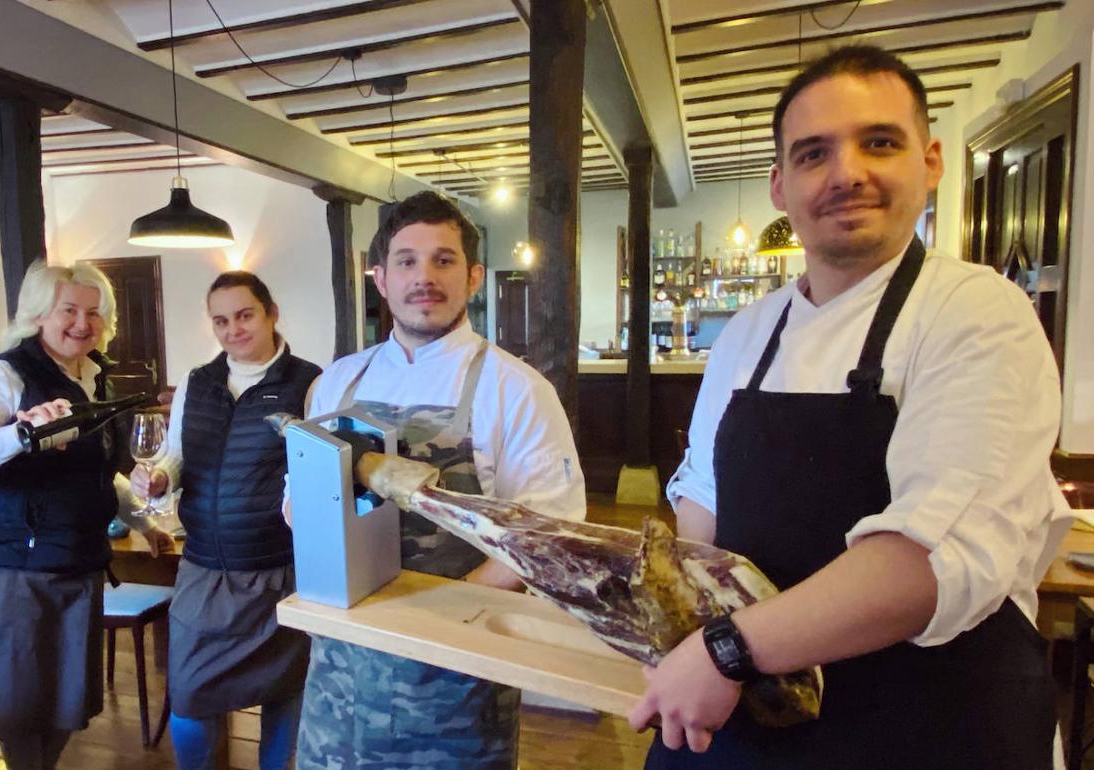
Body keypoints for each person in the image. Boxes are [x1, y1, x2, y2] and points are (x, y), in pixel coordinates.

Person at [628, 45, 1071, 769]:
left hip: (931, 725)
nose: (846, 174)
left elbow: (923, 566)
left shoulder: (976, 312)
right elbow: (703, 507)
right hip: (748, 715)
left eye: (879, 142)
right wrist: (686, 630)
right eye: (813, 154)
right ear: (779, 185)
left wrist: (725, 650)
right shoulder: (748, 333)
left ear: (930, 163)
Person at [293, 191, 587, 769]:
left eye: (443, 260)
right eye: (405, 261)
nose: (423, 277)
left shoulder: (516, 389)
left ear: (474, 276)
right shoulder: (337, 383)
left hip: (455, 666)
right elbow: (297, 504)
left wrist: (443, 616)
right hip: (342, 664)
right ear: (380, 278)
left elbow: (546, 537)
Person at [0, 261, 167, 770]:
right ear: (39, 314)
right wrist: (22, 434)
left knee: (64, 701)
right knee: (15, 704)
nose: (83, 323)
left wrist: (143, 522)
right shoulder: (2, 376)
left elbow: (99, 472)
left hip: (75, 562)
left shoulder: (90, 374)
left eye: (94, 313)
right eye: (69, 310)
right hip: (5, 567)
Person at [130, 271, 321, 770]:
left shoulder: (310, 382)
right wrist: (159, 478)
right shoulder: (198, 381)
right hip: (203, 570)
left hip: (278, 572)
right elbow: (175, 454)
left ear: (270, 313)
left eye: (244, 315)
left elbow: (315, 472)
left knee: (288, 695)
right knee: (190, 697)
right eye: (221, 320)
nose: (233, 330)